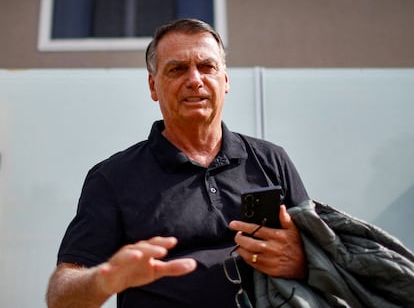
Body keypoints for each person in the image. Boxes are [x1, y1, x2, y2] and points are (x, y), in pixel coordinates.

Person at [46, 18, 310, 308]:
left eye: (207, 67)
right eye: (177, 69)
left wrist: (301, 261)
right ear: (153, 85)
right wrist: (105, 279)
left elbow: (326, 259)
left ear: (225, 81)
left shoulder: (271, 160)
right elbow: (61, 296)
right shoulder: (113, 178)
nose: (195, 79)